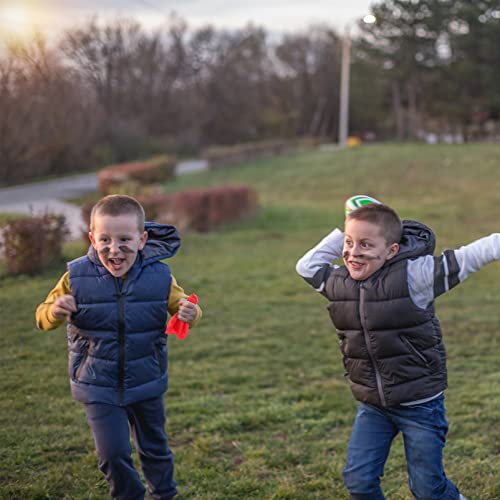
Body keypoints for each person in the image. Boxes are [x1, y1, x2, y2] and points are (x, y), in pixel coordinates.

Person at [295, 196, 499, 500]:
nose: (353, 252)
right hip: (373, 404)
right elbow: (306, 265)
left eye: (366, 245)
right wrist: (352, 225)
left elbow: (474, 254)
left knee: (428, 490)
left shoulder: (414, 277)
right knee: (359, 482)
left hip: (420, 404)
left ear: (392, 250)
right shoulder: (339, 283)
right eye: (349, 244)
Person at [36, 194, 202, 500]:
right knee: (113, 454)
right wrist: (55, 310)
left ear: (142, 240)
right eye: (105, 239)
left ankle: (164, 494)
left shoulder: (160, 277)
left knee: (155, 448)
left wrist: (190, 313)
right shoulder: (75, 276)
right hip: (97, 382)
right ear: (92, 238)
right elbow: (42, 317)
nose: (114, 248)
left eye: (125, 239)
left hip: (146, 379)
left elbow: (183, 306)